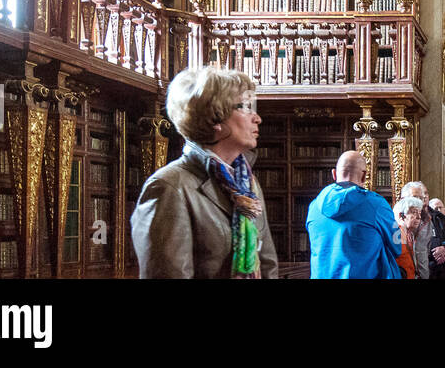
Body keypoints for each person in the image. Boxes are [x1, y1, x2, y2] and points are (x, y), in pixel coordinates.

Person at [131, 67, 278, 278]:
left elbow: (267, 265)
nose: (257, 118)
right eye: (246, 107)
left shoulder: (248, 184)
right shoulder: (169, 186)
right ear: (215, 117)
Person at [307, 151, 402, 279]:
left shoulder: (314, 207)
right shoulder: (376, 205)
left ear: (334, 174)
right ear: (364, 176)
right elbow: (397, 246)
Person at [400, 181, 439, 278]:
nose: (418, 201)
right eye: (414, 197)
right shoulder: (392, 222)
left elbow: (426, 252)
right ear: (402, 199)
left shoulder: (428, 221)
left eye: (421, 198)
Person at [394, 196, 425, 279]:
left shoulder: (410, 234)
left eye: (419, 213)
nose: (419, 217)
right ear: (402, 215)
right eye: (414, 213)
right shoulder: (394, 234)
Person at [427, 197, 445, 279]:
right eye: (435, 208)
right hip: (430, 264)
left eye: (440, 207)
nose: (438, 210)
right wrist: (438, 254)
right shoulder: (427, 222)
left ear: (444, 209)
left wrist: (444, 248)